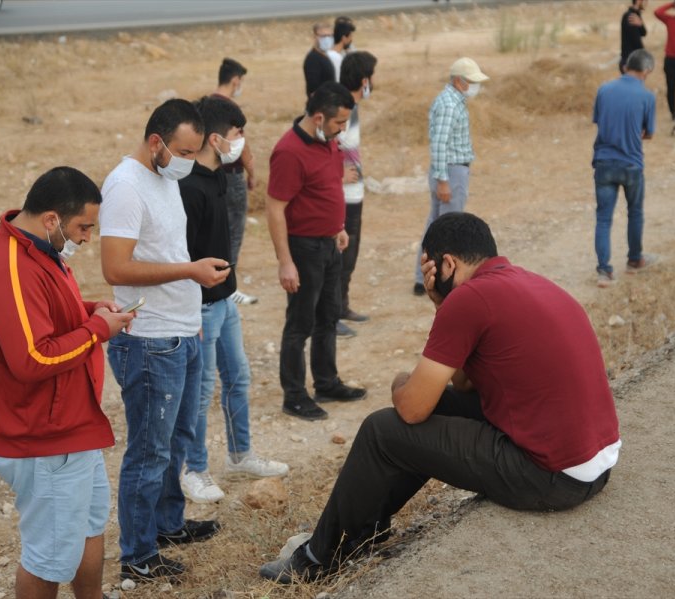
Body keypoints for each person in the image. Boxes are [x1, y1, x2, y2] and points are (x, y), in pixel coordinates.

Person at [259, 212, 621, 583]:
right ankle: (365, 527)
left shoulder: (471, 297)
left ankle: (320, 558)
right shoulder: (524, 281)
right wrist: (441, 306)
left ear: (448, 263)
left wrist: (401, 383)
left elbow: (413, 409)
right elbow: (465, 386)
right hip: (594, 465)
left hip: (553, 477)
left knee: (382, 429)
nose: (427, 279)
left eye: (429, 268)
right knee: (440, 407)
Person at [0, 167, 135, 598]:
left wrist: (89, 309)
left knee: (87, 524)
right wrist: (98, 330)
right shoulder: (12, 264)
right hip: (42, 436)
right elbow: (32, 357)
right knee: (48, 559)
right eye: (82, 227)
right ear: (51, 219)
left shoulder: (37, 248)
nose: (86, 238)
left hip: (69, 425)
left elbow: (45, 312)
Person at [99, 99, 229, 582]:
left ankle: (168, 525)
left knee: (179, 439)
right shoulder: (126, 186)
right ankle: (137, 553)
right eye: (183, 151)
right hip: (149, 340)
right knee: (149, 451)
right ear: (157, 143)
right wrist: (189, 273)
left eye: (195, 152)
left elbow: (167, 246)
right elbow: (116, 267)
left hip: (181, 328)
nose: (189, 161)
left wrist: (190, 308)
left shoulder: (165, 177)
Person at [178, 95, 288, 505]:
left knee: (237, 378)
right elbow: (185, 255)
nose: (242, 142)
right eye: (238, 134)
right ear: (215, 138)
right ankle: (194, 468)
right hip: (202, 304)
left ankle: (241, 454)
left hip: (225, 300)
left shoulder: (221, 174)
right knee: (202, 389)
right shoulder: (188, 186)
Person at [266, 81, 366, 422]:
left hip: (329, 243)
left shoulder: (328, 141)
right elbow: (275, 207)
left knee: (328, 316)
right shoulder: (289, 151)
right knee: (300, 323)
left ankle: (326, 382)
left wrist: (337, 226)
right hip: (303, 248)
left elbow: (324, 187)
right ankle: (294, 395)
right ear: (319, 117)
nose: (342, 131)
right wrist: (285, 262)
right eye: (339, 123)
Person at [413, 57, 489, 296]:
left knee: (436, 225)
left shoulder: (454, 101)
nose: (475, 86)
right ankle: (441, 281)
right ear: (459, 81)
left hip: (451, 169)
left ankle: (423, 278)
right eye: (471, 81)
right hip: (450, 170)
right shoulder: (448, 104)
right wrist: (443, 180)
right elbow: (439, 144)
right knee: (448, 229)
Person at [591, 49, 656, 288]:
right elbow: (648, 133)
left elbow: (599, 120)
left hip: (604, 161)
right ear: (646, 70)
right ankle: (634, 259)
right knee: (635, 213)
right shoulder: (647, 96)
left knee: (603, 218)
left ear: (626, 65)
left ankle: (604, 271)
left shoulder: (604, 89)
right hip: (631, 163)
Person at [335, 51, 378, 338]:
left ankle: (342, 306)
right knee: (339, 257)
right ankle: (330, 314)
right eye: (372, 77)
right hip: (341, 195)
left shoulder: (354, 106)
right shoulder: (341, 107)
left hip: (355, 192)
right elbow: (326, 146)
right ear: (364, 79)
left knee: (350, 255)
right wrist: (338, 175)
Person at [212, 57, 258, 305]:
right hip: (232, 177)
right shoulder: (229, 108)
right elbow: (243, 147)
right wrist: (252, 174)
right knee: (234, 232)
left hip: (215, 176)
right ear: (235, 80)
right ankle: (230, 286)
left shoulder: (209, 104)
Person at [303, 22, 336, 97]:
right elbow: (313, 91)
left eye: (330, 36)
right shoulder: (313, 59)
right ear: (315, 37)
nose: (327, 39)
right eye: (323, 36)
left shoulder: (325, 56)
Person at [620, 0, 648, 73]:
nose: (647, 2)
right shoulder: (631, 16)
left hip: (634, 60)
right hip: (630, 61)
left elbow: (644, 33)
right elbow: (636, 40)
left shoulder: (636, 14)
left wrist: (640, 24)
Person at [326, 16, 355, 81]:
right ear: (344, 38)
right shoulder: (335, 57)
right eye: (350, 36)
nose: (351, 39)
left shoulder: (349, 50)